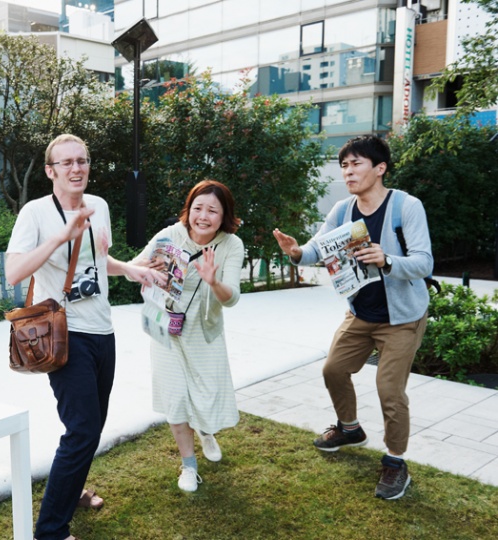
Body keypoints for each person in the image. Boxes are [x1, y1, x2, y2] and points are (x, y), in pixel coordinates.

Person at [5, 134, 162, 540]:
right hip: (63, 334)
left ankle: (70, 491)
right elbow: (14, 272)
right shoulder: (35, 213)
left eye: (82, 161)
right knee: (82, 430)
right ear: (50, 171)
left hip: (102, 330)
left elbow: (96, 261)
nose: (77, 169)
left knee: (90, 426)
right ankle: (51, 531)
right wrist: (61, 236)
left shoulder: (100, 207)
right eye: (67, 163)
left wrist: (130, 269)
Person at [273, 134, 432, 500]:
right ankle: (350, 429)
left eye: (356, 164)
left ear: (380, 168)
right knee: (333, 369)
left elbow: (424, 262)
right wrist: (296, 252)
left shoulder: (406, 207)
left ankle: (395, 463)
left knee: (390, 391)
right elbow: (318, 247)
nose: (348, 171)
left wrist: (387, 260)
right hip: (361, 311)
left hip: (402, 318)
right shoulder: (343, 210)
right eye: (344, 165)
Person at [132, 180, 244, 492]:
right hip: (165, 326)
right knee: (175, 395)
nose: (203, 216)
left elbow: (232, 297)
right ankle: (189, 465)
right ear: (188, 209)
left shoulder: (231, 245)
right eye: (198, 208)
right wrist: (145, 270)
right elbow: (135, 266)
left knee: (205, 395)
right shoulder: (170, 235)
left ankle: (206, 429)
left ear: (224, 216)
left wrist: (213, 281)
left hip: (203, 330)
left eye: (212, 210)